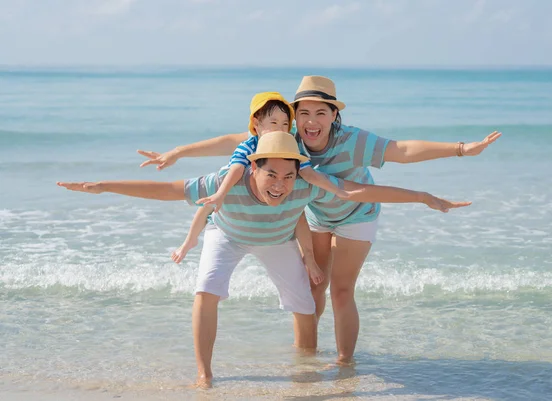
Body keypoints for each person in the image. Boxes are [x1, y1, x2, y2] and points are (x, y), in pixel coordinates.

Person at [57, 131, 472, 387]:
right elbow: (168, 189)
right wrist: (104, 186)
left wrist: (423, 197)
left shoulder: (305, 187)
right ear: (252, 167)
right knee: (207, 289)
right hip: (229, 236)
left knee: (306, 303)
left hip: (276, 241)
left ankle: (307, 366)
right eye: (271, 174)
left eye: (289, 176)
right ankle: (205, 373)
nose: (280, 185)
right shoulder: (225, 180)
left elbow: (357, 192)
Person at [137, 76, 501, 366]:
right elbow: (236, 141)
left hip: (356, 212)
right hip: (314, 213)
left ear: (334, 115)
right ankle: (307, 360)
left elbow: (401, 151)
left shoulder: (354, 141)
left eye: (321, 113)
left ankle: (345, 364)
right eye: (304, 113)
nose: (312, 122)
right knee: (313, 288)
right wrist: (177, 152)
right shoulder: (288, 138)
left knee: (341, 290)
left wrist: (460, 150)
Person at [166, 92, 354, 285]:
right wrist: (220, 194)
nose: (279, 129)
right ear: (257, 124)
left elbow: (308, 173)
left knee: (298, 212)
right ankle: (189, 241)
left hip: (273, 192)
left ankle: (309, 258)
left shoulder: (289, 145)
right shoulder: (250, 144)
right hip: (235, 185)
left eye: (284, 124)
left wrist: (337, 190)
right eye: (274, 123)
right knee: (208, 203)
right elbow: (237, 168)